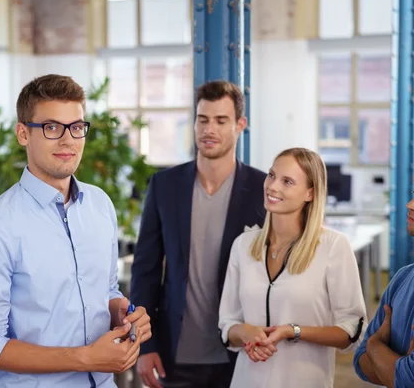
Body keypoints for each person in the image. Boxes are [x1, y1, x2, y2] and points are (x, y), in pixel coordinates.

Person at [0, 74, 151, 388]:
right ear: (23, 133)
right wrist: (86, 358)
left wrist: (123, 313)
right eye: (51, 127)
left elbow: (107, 292)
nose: (68, 140)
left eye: (76, 127)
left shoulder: (100, 206)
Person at [130, 80, 267, 388]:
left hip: (241, 351)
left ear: (240, 125)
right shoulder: (164, 186)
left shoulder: (262, 190)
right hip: (175, 353)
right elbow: (145, 270)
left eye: (221, 121)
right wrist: (145, 345)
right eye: (202, 120)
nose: (209, 130)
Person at [218, 147, 367, 388]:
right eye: (271, 175)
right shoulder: (243, 246)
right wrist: (245, 332)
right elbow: (227, 324)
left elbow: (351, 331)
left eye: (287, 181)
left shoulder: (334, 247)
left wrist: (293, 331)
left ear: (310, 193)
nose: (273, 186)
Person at [353, 199, 414, 388]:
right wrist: (397, 368)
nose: (409, 204)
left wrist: (375, 345)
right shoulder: (402, 278)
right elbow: (361, 362)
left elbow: (407, 381)